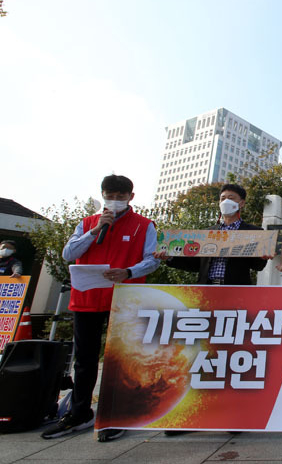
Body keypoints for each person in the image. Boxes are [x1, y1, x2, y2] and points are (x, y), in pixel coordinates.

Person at [42, 175, 160, 442]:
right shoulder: (87, 224)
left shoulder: (144, 225)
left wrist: (128, 272)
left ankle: (117, 415)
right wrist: (95, 231)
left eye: (121, 196)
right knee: (84, 360)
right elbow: (68, 254)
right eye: (110, 196)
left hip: (124, 299)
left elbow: (152, 260)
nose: (115, 201)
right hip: (87, 299)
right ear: (103, 195)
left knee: (123, 360)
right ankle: (80, 413)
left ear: (131, 197)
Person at [157, 184, 270, 285]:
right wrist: (170, 257)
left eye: (231, 198)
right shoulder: (207, 233)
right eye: (223, 198)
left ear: (242, 203)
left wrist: (262, 257)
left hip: (236, 290)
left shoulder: (254, 233)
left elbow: (257, 266)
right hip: (206, 289)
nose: (226, 201)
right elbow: (196, 264)